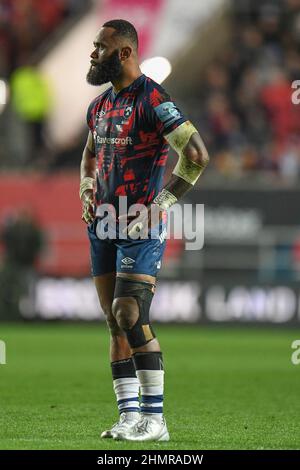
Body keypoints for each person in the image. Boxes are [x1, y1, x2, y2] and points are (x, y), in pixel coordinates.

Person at [80, 19, 209, 442]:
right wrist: (85, 186)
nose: (93, 53)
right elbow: (89, 155)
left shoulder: (153, 98)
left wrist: (161, 206)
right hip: (102, 223)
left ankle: (156, 421)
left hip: (139, 224)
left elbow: (196, 155)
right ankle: (129, 416)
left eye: (100, 46)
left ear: (124, 53)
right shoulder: (100, 106)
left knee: (129, 313)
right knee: (113, 323)